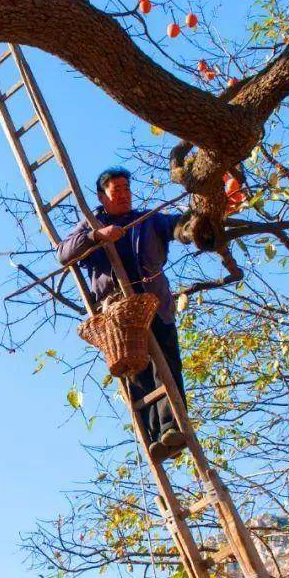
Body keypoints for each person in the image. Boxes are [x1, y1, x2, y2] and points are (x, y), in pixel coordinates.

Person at [57, 166, 189, 461]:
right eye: (117, 191)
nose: (125, 196)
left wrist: (192, 225)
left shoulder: (147, 221)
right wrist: (96, 236)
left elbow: (176, 227)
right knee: (134, 370)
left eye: (128, 190)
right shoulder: (92, 224)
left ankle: (172, 427)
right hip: (118, 312)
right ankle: (153, 436)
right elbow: (64, 253)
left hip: (154, 304)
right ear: (102, 196)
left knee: (165, 365)